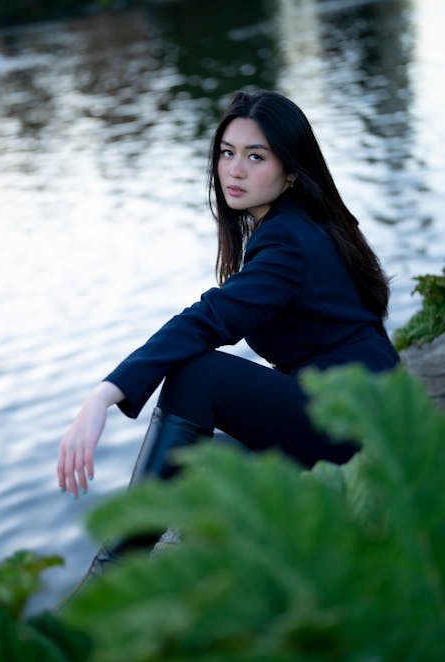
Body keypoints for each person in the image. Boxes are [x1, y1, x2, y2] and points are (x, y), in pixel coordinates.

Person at [57, 89, 399, 563]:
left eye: (255, 156)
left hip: (357, 424)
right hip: (366, 409)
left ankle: (114, 569)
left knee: (199, 374)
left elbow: (210, 317)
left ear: (291, 169)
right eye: (226, 153)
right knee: (198, 457)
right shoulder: (303, 221)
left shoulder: (286, 240)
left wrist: (104, 394)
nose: (234, 170)